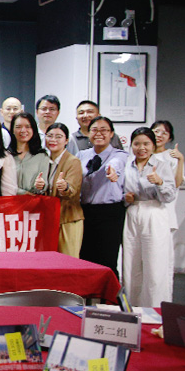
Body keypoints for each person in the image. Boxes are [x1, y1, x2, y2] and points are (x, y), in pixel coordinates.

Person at [122, 127, 177, 307]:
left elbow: (169, 196)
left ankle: (155, 309)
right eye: (137, 144)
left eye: (146, 143)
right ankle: (132, 308)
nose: (141, 148)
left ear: (153, 145)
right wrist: (126, 198)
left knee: (155, 264)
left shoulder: (162, 165)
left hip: (154, 212)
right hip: (132, 213)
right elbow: (121, 192)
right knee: (131, 264)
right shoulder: (127, 165)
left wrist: (159, 182)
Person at [77, 116, 129, 275]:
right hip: (85, 212)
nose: (99, 133)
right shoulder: (81, 155)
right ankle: (88, 290)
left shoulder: (120, 155)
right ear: (88, 133)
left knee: (107, 258)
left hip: (110, 213)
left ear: (111, 134)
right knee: (86, 257)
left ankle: (109, 291)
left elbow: (116, 165)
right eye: (94, 130)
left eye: (104, 130)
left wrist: (112, 172)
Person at [37, 123, 83, 257]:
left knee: (68, 259)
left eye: (58, 137)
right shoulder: (44, 160)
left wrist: (65, 187)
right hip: (49, 218)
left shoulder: (73, 161)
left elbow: (73, 190)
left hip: (68, 219)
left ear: (66, 140)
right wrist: (40, 187)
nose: (53, 140)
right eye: (50, 136)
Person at [151, 121, 185, 262]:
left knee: (162, 255)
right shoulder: (142, 154)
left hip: (165, 209)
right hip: (145, 209)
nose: (159, 135)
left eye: (164, 133)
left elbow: (176, 184)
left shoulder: (172, 156)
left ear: (169, 138)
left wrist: (181, 159)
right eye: (156, 131)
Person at [8, 112, 49, 195]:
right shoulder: (6, 155)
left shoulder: (42, 156)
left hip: (34, 200)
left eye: (28, 127)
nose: (23, 130)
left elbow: (44, 185)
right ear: (12, 130)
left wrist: (41, 185)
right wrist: (23, 193)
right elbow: (4, 184)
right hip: (10, 200)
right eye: (18, 127)